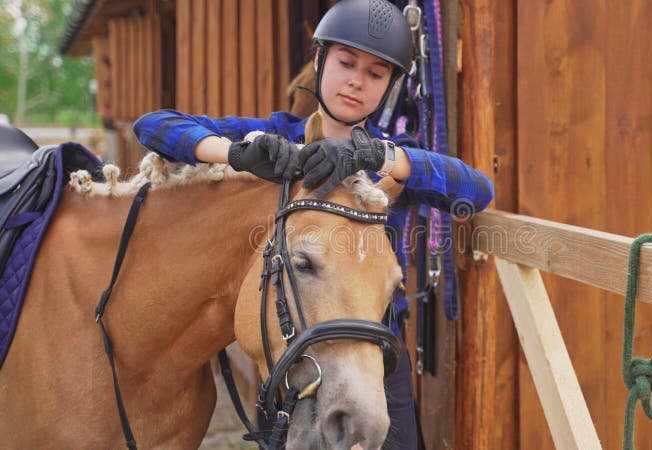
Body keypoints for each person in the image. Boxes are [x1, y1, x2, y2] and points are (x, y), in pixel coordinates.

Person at [133, 0, 493, 448]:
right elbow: (153, 125)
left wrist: (376, 155)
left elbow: (476, 189)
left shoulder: (393, 158)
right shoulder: (276, 137)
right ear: (319, 60)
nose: (357, 81)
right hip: (294, 349)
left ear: (390, 87)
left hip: (371, 354)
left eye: (376, 73)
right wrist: (236, 154)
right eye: (346, 62)